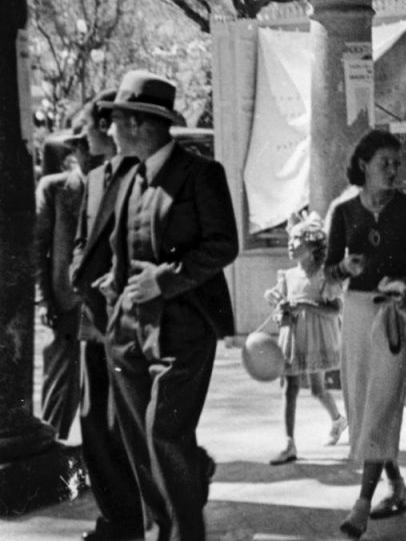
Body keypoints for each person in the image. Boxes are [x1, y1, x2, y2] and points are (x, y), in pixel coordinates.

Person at [96, 71, 238, 541]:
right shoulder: (130, 176)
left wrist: (167, 278)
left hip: (184, 330)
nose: (107, 129)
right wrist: (112, 295)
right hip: (129, 332)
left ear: (139, 124)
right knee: (139, 443)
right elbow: (124, 248)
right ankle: (164, 530)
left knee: (166, 435)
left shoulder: (200, 174)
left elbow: (223, 245)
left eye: (113, 120)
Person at [324, 130, 406, 540]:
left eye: (396, 163)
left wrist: (404, 282)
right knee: (363, 408)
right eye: (384, 162)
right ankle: (397, 484)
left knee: (383, 402)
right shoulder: (344, 211)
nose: (392, 170)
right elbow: (329, 271)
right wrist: (345, 270)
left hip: (393, 315)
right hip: (355, 313)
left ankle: (362, 504)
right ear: (363, 164)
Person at [70, 89, 145, 541]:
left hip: (127, 315)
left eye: (88, 129)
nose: (84, 139)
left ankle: (135, 516)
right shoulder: (96, 179)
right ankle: (115, 518)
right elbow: (83, 237)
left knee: (129, 424)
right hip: (92, 318)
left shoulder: (142, 174)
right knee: (93, 419)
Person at [265, 211, 346, 465]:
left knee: (317, 388)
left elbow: (336, 310)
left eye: (297, 239)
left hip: (316, 337)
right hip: (293, 336)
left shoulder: (323, 276)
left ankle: (338, 420)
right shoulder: (287, 276)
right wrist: (281, 310)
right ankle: (288, 443)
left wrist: (307, 306)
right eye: (290, 238)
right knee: (289, 387)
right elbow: (279, 308)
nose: (290, 243)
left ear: (312, 245)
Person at [34, 130, 88, 440]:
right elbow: (37, 247)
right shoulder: (54, 188)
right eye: (81, 148)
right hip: (64, 299)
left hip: (101, 301)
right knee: (60, 385)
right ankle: (52, 448)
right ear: (74, 151)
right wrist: (44, 299)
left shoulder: (113, 184)